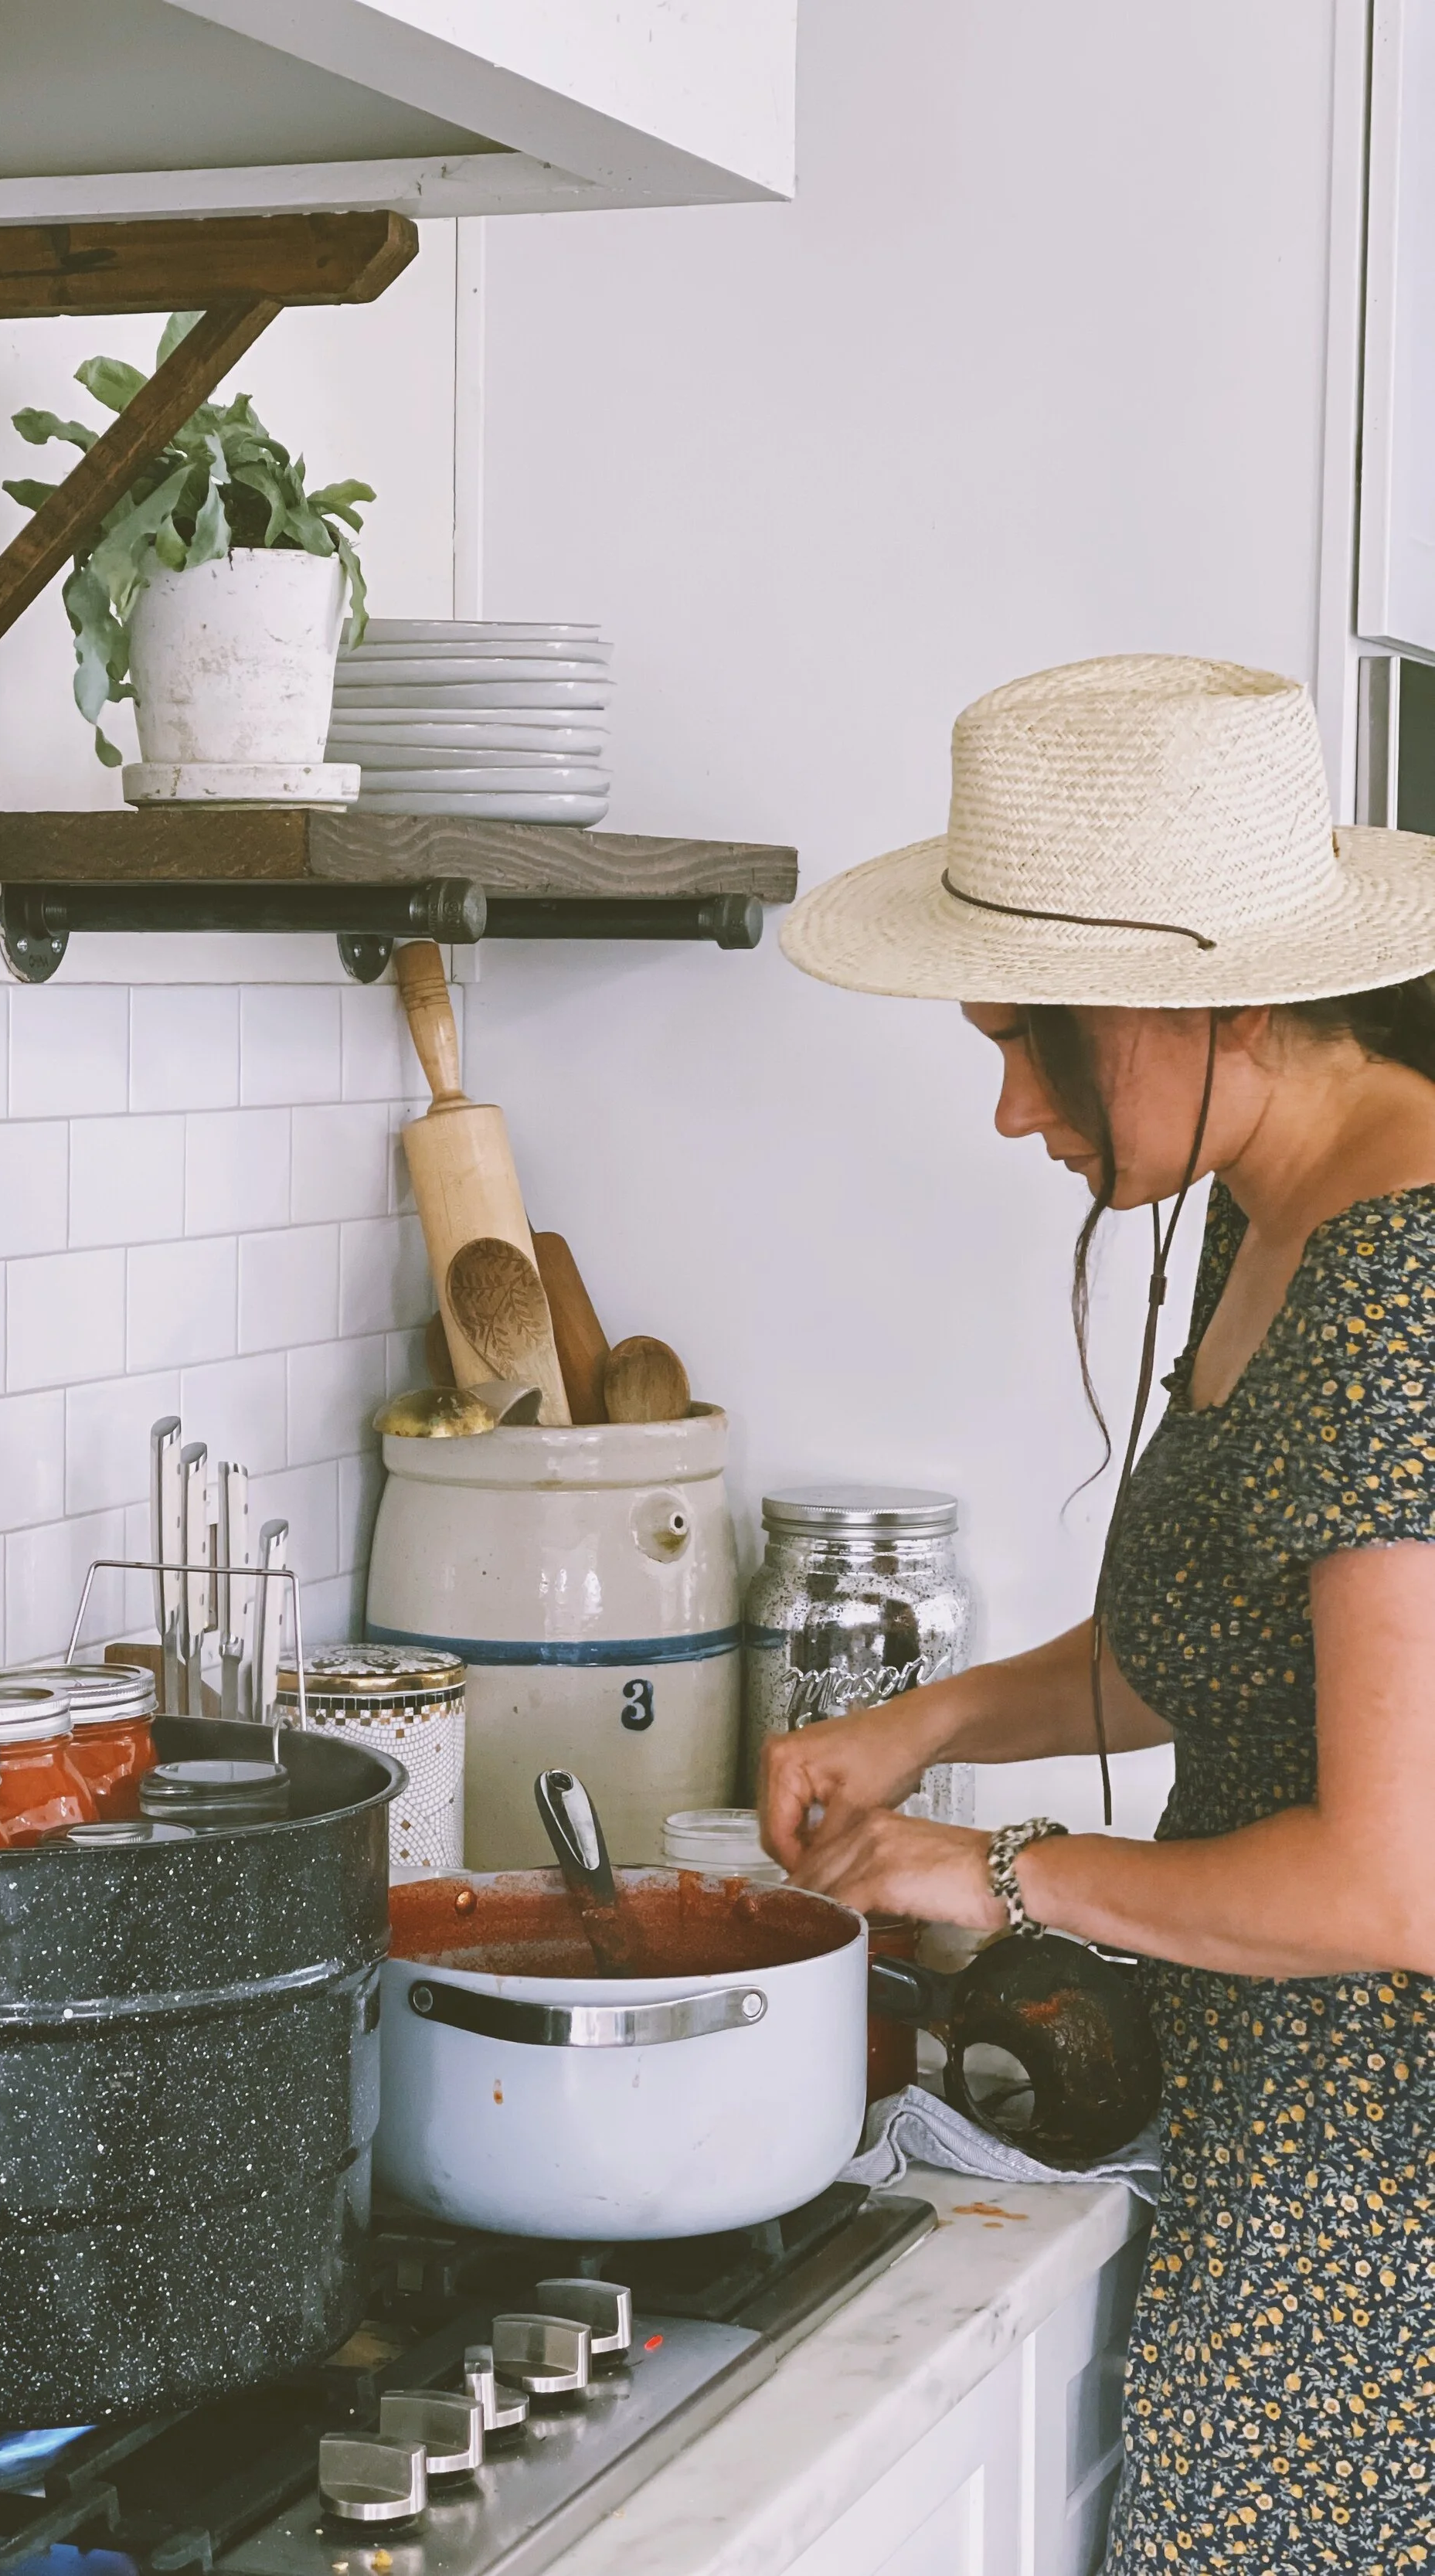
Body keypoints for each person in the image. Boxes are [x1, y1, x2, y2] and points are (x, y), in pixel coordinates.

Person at [769, 656, 1435, 2574]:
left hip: (1373, 2221)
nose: (1000, 1110)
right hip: (1282, 2137)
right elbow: (1207, 1647)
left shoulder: (1398, 1286)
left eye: (1023, 1040)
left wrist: (1008, 1869)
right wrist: (921, 1727)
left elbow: (1383, 1887)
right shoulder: (1273, 1198)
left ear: (1179, 1005)